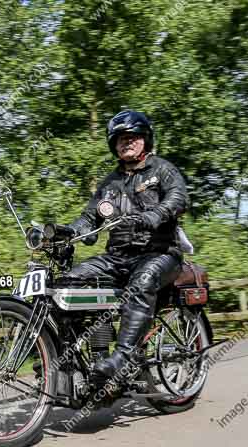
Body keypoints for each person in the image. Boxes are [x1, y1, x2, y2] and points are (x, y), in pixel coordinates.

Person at [61, 110, 189, 386]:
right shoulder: (110, 183)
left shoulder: (162, 170)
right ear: (113, 145)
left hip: (161, 253)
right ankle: (75, 358)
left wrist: (156, 215)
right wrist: (68, 232)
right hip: (117, 256)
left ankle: (122, 357)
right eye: (120, 139)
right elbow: (88, 218)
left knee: (141, 282)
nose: (126, 142)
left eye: (132, 137)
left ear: (145, 139)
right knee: (69, 281)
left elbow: (179, 197)